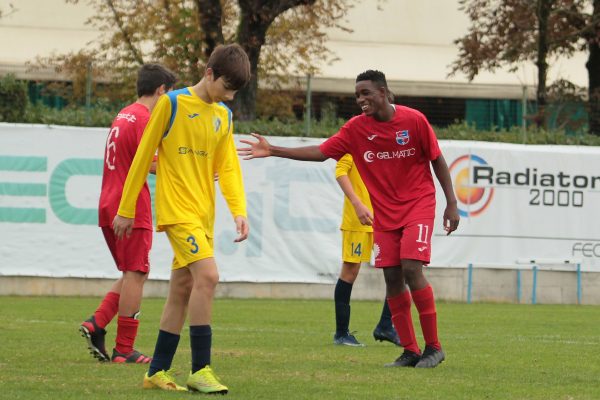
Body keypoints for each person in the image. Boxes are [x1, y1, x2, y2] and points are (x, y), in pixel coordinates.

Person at [238, 69, 459, 369]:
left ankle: (434, 347)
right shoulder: (356, 129)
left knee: (410, 268)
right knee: (391, 277)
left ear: (383, 92)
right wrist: (274, 150)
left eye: (366, 93)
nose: (361, 99)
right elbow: (321, 152)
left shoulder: (414, 120)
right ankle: (410, 350)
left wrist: (452, 203)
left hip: (418, 204)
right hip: (385, 213)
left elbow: (437, 159)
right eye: (357, 95)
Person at [113, 44, 251, 392]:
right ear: (209, 73)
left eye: (235, 92)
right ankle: (200, 369)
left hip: (203, 216)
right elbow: (143, 157)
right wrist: (126, 209)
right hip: (177, 213)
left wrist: (239, 211)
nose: (229, 97)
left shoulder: (223, 116)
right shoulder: (171, 104)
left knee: (182, 289)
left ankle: (156, 372)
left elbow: (228, 168)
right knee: (208, 276)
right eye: (226, 88)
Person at [79, 64, 177, 363]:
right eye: (169, 94)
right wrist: (190, 168)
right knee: (136, 273)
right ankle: (124, 349)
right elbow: (149, 163)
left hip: (108, 201)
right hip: (130, 205)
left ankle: (97, 322)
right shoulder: (146, 118)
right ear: (161, 90)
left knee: (134, 272)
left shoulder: (124, 113)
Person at [333, 153, 400, 347]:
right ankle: (341, 334)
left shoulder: (385, 149)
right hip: (358, 222)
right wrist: (357, 203)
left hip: (384, 220)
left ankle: (386, 325)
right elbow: (340, 172)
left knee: (398, 270)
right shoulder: (352, 146)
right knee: (350, 272)